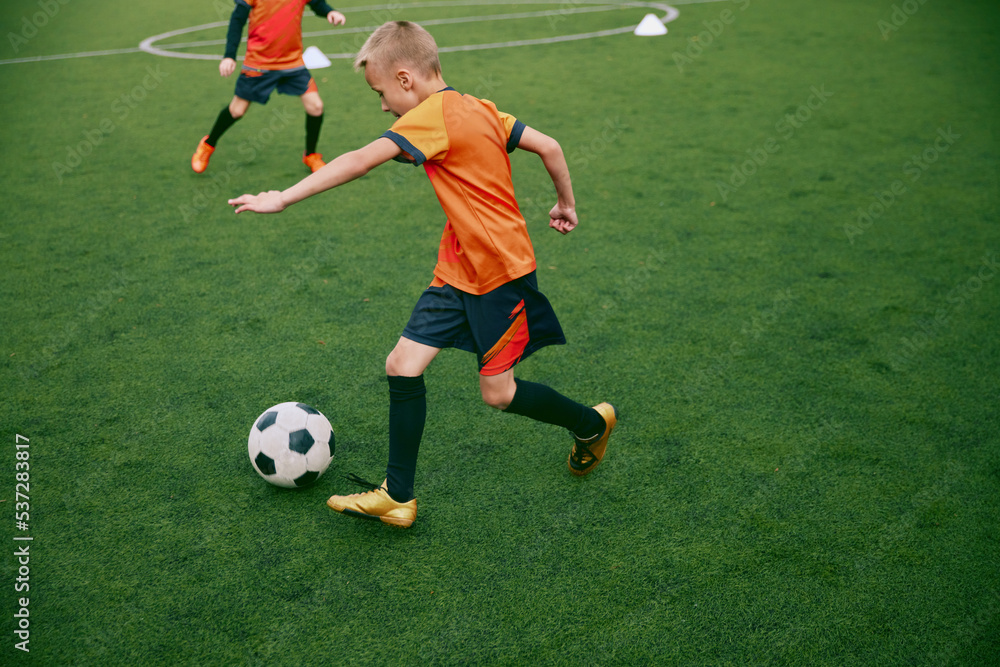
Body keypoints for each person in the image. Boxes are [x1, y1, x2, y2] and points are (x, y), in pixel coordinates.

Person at [229, 20, 617, 529]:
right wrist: (564, 203)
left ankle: (590, 424)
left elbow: (361, 159)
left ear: (406, 78)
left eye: (382, 92)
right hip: (456, 267)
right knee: (402, 365)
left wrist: (283, 196)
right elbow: (550, 146)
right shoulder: (479, 107)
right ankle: (398, 496)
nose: (384, 106)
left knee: (498, 394)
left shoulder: (431, 116)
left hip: (498, 272)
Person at [191, 0, 347, 174]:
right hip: (259, 63)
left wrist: (329, 12)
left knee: (316, 107)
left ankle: (311, 155)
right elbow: (237, 20)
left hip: (292, 62)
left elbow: (316, 3)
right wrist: (229, 56)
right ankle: (208, 145)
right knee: (237, 111)